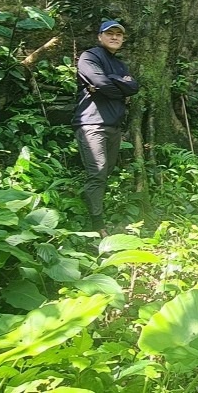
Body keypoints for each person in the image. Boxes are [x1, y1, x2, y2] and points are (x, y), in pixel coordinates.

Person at [72, 20, 140, 235]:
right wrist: (119, 86)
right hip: (92, 123)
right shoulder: (90, 57)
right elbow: (99, 82)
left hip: (114, 126)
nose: (115, 37)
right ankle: (97, 225)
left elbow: (133, 87)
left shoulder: (120, 65)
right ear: (100, 36)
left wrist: (109, 82)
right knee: (98, 172)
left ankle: (90, 201)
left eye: (119, 34)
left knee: (107, 170)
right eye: (109, 33)